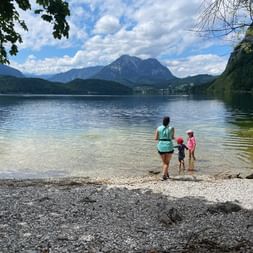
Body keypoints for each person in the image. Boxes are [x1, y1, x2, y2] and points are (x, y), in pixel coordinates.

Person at [155, 116, 175, 181]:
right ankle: (164, 175)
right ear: (169, 121)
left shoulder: (158, 128)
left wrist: (162, 137)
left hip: (161, 146)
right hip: (169, 145)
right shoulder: (172, 128)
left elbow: (156, 138)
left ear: (162, 121)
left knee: (164, 162)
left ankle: (166, 173)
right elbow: (172, 137)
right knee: (167, 162)